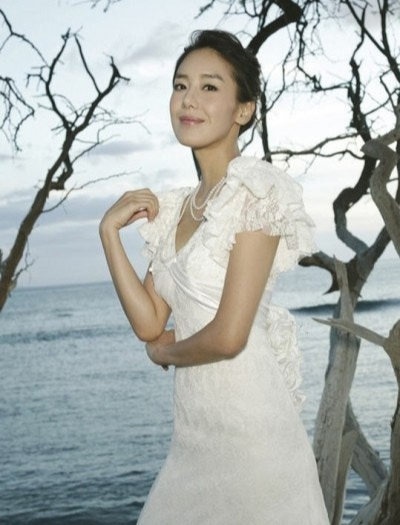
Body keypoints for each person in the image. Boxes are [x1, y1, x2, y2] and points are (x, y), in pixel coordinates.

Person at [100, 29, 329, 525]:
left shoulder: (257, 192)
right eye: (180, 85)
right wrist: (108, 233)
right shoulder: (174, 209)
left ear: (243, 110)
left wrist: (164, 353)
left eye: (209, 87)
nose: (189, 99)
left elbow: (228, 337)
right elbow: (149, 321)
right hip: (193, 438)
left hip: (254, 439)